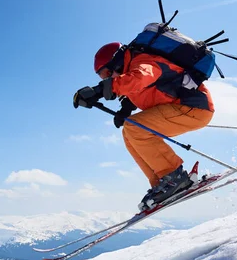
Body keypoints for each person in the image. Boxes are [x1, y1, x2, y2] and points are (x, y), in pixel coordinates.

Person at [73, 42, 215, 210]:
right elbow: (145, 88)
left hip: (194, 107)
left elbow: (142, 78)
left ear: (116, 62)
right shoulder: (131, 70)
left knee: (136, 128)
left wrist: (99, 90)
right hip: (181, 108)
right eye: (102, 77)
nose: (107, 79)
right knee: (129, 131)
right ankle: (162, 183)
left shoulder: (143, 61)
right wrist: (126, 107)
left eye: (106, 74)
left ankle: (174, 177)